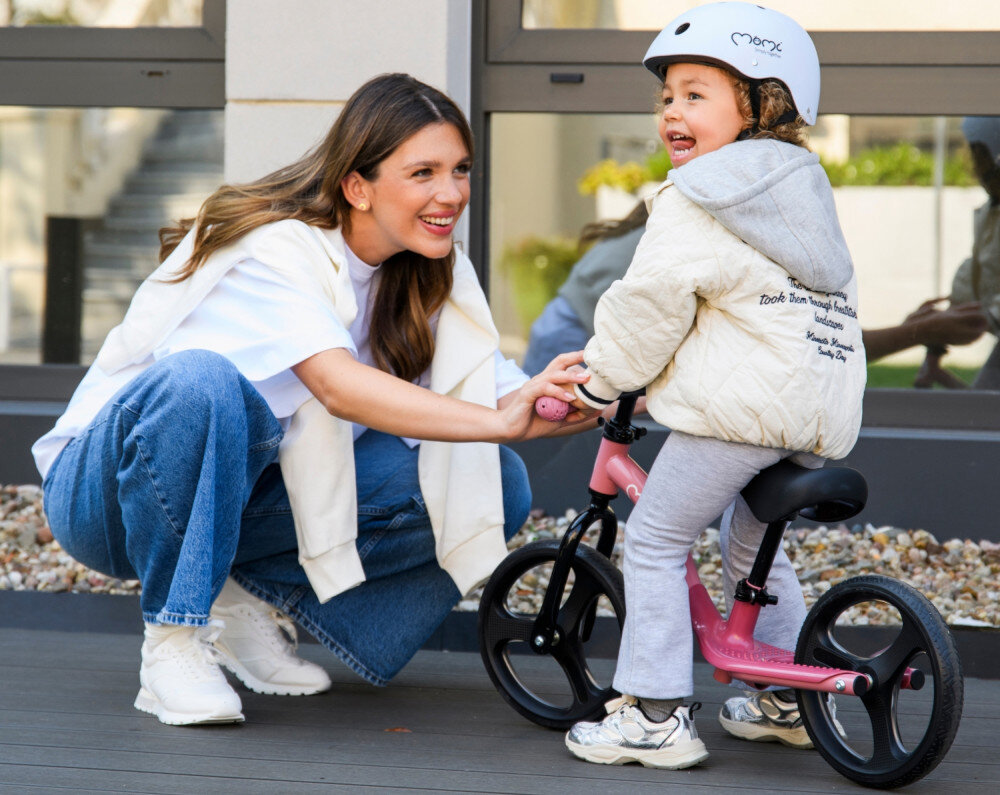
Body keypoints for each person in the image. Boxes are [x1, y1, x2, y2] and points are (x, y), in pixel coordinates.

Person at [33, 73, 591, 727]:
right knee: (203, 382)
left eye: (460, 169)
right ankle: (173, 642)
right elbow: (337, 385)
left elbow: (493, 389)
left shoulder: (424, 270)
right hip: (108, 498)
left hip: (235, 501)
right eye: (424, 172)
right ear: (357, 185)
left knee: (493, 476)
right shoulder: (275, 249)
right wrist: (500, 419)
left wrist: (605, 393)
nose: (452, 193)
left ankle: (234, 595)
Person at [559, 2, 867, 770]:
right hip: (813, 413)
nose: (672, 111)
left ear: (763, 102)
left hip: (740, 415)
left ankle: (655, 715)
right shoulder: (802, 193)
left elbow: (648, 305)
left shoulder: (698, 194)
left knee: (659, 536)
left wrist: (601, 383)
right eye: (667, 96)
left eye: (697, 93)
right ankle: (786, 695)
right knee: (750, 542)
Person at [523, 207, 986, 377]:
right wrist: (917, 331)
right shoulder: (722, 240)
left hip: (572, 328)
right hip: (577, 337)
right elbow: (815, 345)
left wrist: (914, 330)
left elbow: (817, 341)